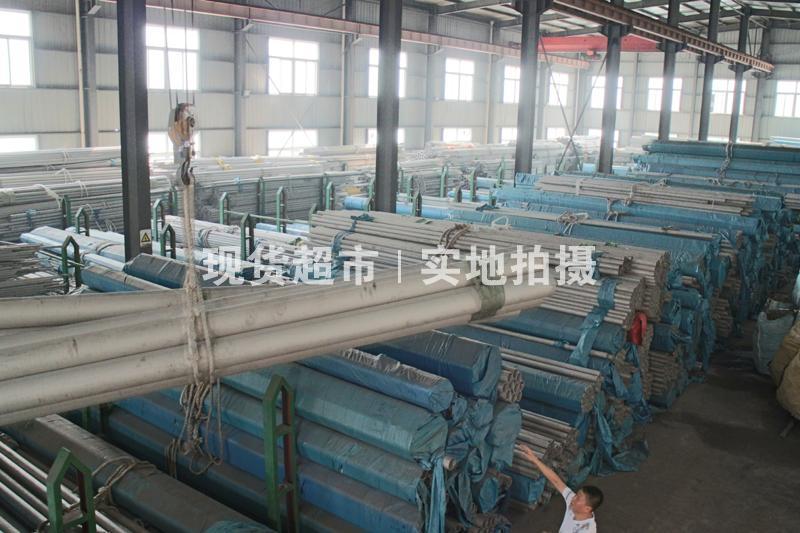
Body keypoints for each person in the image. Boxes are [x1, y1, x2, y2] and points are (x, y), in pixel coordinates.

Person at [520, 444, 603, 533]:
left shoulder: (587, 530)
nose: (573, 498)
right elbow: (556, 481)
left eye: (578, 498)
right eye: (576, 495)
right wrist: (535, 459)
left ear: (587, 509)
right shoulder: (574, 503)